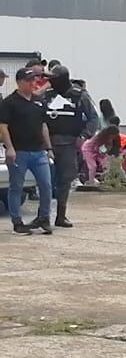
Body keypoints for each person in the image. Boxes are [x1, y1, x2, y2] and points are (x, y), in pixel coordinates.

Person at [41, 65, 98, 227]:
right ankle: (43, 216)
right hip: (47, 143)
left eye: (54, 78)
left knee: (65, 180)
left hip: (69, 144)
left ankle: (61, 215)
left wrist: (84, 135)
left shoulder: (79, 95)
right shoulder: (47, 95)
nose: (50, 81)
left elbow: (93, 118)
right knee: (45, 181)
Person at [1, 69, 54, 235]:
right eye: (29, 80)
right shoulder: (10, 103)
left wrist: (49, 148)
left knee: (46, 185)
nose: (33, 83)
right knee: (16, 187)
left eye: (35, 80)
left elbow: (43, 125)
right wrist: (9, 147)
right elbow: (3, 126)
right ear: (19, 82)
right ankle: (17, 222)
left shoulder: (39, 102)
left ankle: (44, 218)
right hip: (19, 151)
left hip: (39, 152)